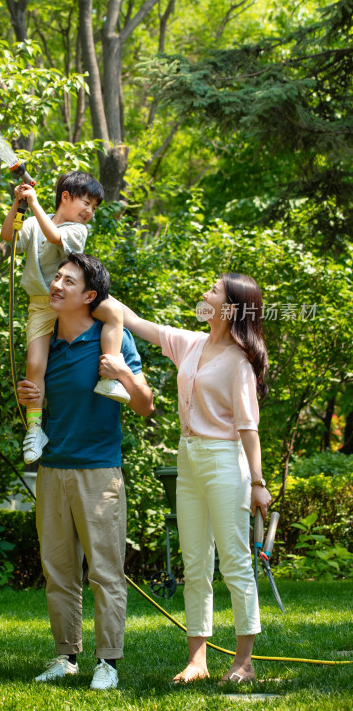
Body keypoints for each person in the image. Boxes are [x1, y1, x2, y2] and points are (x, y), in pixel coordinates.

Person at [116, 273, 272, 685]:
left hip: (224, 460)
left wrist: (257, 482)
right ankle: (197, 661)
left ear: (231, 307)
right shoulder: (191, 342)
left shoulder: (239, 361)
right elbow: (135, 322)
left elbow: (248, 427)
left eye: (214, 290)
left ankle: (244, 662)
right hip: (189, 457)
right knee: (195, 562)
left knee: (235, 564)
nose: (205, 293)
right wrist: (94, 291)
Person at [17, 252, 154, 690]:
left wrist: (124, 376)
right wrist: (27, 394)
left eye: (68, 281)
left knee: (105, 572)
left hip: (99, 473)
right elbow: (37, 401)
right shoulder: (45, 341)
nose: (56, 285)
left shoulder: (111, 339)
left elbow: (146, 405)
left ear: (89, 296)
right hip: (53, 470)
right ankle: (65, 656)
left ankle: (108, 663)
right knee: (58, 570)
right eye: (56, 277)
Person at [1, 171, 130, 465]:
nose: (90, 212)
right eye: (86, 203)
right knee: (35, 364)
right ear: (65, 198)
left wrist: (33, 204)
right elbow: (8, 235)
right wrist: (18, 203)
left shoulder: (77, 230)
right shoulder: (33, 221)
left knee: (112, 311)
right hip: (42, 304)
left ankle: (109, 377)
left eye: (94, 208)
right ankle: (35, 429)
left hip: (72, 301)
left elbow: (55, 236)